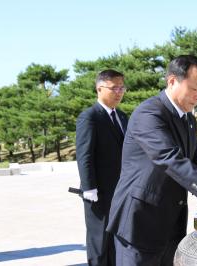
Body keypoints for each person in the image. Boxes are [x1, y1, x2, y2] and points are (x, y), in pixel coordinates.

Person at [107, 55, 197, 266]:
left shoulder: (188, 118)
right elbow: (168, 157)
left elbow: (195, 160)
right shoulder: (149, 112)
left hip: (170, 220)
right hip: (140, 221)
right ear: (172, 81)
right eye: (194, 89)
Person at [76, 69, 128, 266]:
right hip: (98, 193)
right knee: (99, 242)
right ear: (99, 88)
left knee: (117, 241)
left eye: (122, 87)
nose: (119, 92)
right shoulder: (90, 117)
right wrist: (89, 187)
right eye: (114, 87)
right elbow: (84, 155)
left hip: (121, 191)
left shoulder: (122, 117)